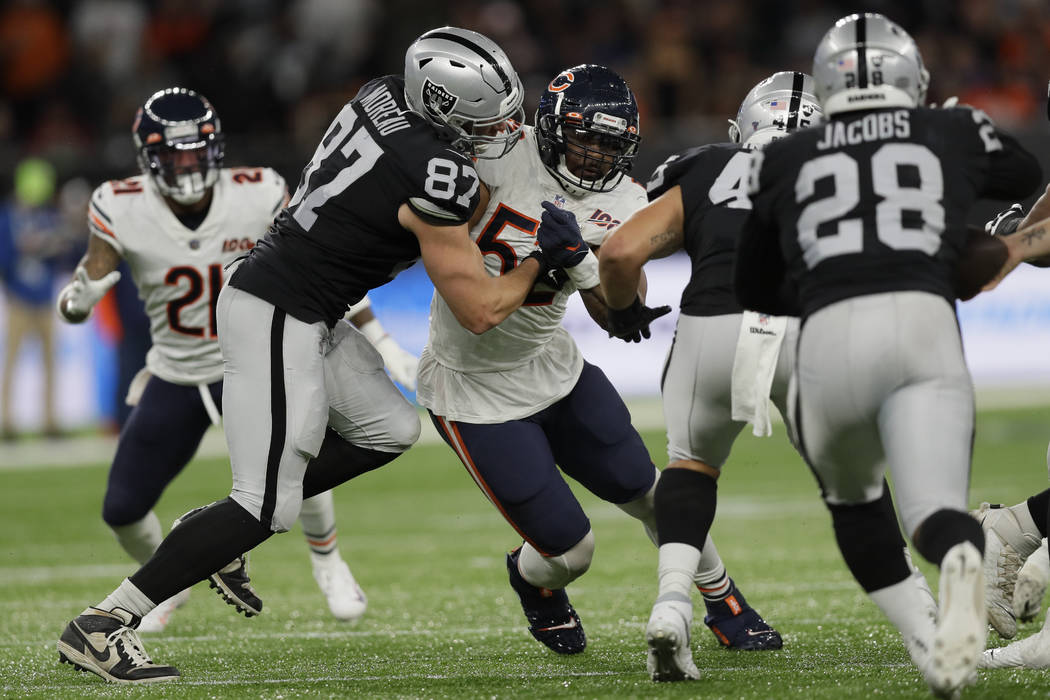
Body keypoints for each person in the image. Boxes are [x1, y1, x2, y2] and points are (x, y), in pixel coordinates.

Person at [56, 26, 545, 683]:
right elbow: (480, 310)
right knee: (266, 508)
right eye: (486, 121)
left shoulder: (382, 94)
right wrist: (548, 259)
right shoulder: (435, 170)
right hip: (278, 308)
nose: (502, 131)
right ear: (440, 106)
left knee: (390, 428)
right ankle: (105, 623)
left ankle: (216, 529)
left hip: (303, 299)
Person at [416, 64, 775, 660]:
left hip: (554, 367)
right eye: (584, 137)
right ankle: (533, 581)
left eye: (610, 143)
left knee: (654, 495)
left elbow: (617, 318)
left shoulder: (630, 200)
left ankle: (723, 597)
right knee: (569, 553)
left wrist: (585, 264)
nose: (594, 155)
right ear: (550, 128)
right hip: (473, 389)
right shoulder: (494, 154)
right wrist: (550, 260)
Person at [734, 13, 1041, 697]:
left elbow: (751, 285)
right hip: (925, 320)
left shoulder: (784, 156)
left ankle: (932, 647)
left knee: (852, 502)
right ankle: (962, 555)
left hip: (830, 334)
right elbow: (1025, 173)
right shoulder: (949, 129)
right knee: (933, 511)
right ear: (912, 79)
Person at [55, 87, 422, 633]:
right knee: (123, 507)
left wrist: (385, 344)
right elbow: (83, 288)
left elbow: (321, 269)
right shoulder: (118, 203)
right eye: (174, 155)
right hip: (179, 370)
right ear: (147, 157)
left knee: (298, 455)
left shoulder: (258, 192)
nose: (187, 165)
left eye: (195, 151)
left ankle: (328, 562)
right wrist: (75, 302)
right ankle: (171, 577)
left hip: (260, 349)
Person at [599, 71, 835, 681]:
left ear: (742, 129)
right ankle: (924, 608)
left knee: (689, 468)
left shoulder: (708, 163)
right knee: (854, 475)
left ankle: (676, 605)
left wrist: (623, 311)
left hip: (711, 323)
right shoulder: (840, 174)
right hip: (804, 328)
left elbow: (620, 253)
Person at [0, 157, 73, 440]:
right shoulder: (7, 217)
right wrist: (24, 249)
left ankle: (50, 421)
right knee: (12, 362)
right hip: (19, 298)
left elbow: (64, 256)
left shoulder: (48, 216)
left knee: (50, 362)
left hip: (45, 299)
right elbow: (4, 257)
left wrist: (56, 247)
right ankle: (7, 422)